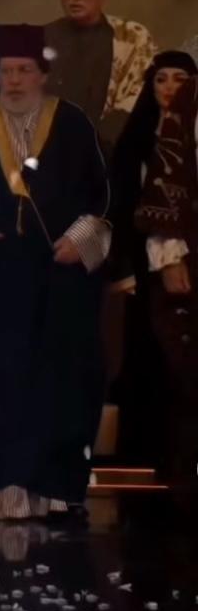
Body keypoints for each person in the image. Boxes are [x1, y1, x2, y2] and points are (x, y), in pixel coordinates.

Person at [0, 24, 110, 522]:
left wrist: (80, 239)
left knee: (62, 380)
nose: (14, 81)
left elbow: (103, 196)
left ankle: (56, 487)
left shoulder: (73, 124)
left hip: (60, 279)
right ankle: (5, 485)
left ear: (43, 74)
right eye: (6, 72)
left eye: (24, 71)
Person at [107, 52, 196, 468]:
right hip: (144, 266)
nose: (171, 87)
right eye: (162, 79)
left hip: (192, 257)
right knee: (149, 356)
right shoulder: (137, 138)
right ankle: (147, 461)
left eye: (181, 79)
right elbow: (119, 206)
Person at [134, 71, 198, 494]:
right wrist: (170, 254)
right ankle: (183, 483)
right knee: (186, 372)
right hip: (191, 248)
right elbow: (167, 175)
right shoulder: (191, 96)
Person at [45, 0, 157, 153]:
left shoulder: (131, 38)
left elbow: (139, 96)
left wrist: (97, 146)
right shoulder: (42, 38)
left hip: (111, 151)